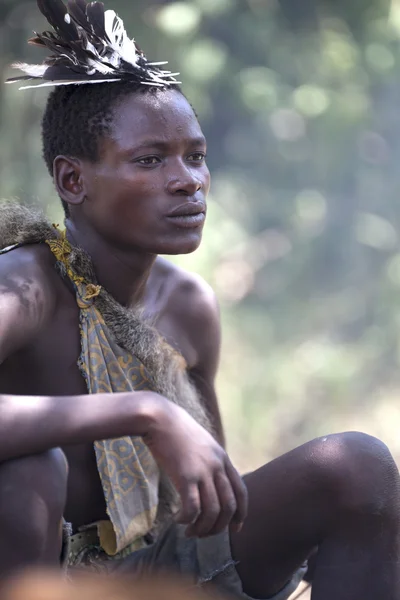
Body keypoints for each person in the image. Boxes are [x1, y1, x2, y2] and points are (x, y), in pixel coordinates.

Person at [0, 1, 399, 598]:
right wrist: (145, 411)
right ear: (72, 180)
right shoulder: (26, 285)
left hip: (149, 571)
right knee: (32, 466)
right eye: (149, 159)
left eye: (196, 156)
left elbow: (211, 494)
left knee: (356, 466)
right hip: (39, 579)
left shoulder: (187, 305)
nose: (188, 180)